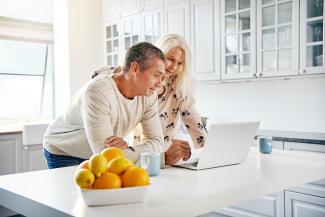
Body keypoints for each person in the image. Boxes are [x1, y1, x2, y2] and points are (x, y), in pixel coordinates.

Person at [43, 42, 166, 169]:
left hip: (95, 154)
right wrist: (161, 158)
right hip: (65, 152)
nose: (160, 83)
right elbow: (105, 155)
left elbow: (157, 142)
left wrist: (129, 149)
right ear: (135, 68)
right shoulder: (98, 91)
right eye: (156, 75)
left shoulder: (149, 95)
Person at [132, 34, 208, 165]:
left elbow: (194, 123)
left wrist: (209, 152)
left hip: (170, 159)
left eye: (180, 63)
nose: (174, 67)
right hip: (144, 158)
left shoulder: (179, 86)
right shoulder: (143, 84)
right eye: (170, 59)